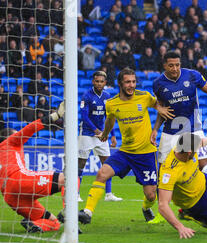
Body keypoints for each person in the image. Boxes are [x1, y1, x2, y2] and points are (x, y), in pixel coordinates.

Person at [77, 67, 175, 226]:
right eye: (128, 82)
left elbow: (157, 103)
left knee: (151, 195)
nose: (131, 85)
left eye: (134, 82)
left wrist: (160, 109)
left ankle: (145, 208)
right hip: (126, 152)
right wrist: (105, 134)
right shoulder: (112, 103)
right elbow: (110, 120)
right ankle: (87, 212)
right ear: (120, 84)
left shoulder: (144, 96)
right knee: (102, 173)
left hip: (146, 153)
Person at [151, 50, 207, 170]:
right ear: (164, 65)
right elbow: (163, 110)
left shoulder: (192, 75)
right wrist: (155, 129)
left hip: (194, 128)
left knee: (204, 167)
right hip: (170, 131)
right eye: (171, 65)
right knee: (163, 168)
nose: (175, 69)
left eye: (177, 65)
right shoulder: (158, 84)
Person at [0, 103, 66, 233]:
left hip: (10, 196)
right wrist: (55, 116)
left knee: (54, 223)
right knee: (69, 178)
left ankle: (34, 224)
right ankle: (68, 213)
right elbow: (30, 128)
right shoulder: (10, 141)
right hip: (19, 180)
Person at [78, 71, 123, 203]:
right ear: (93, 81)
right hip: (87, 134)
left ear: (105, 83)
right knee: (81, 164)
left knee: (107, 164)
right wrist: (96, 130)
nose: (99, 83)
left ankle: (108, 194)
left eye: (101, 81)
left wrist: (112, 135)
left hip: (102, 135)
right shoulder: (86, 96)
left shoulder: (108, 96)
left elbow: (109, 118)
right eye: (97, 81)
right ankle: (76, 194)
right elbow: (84, 116)